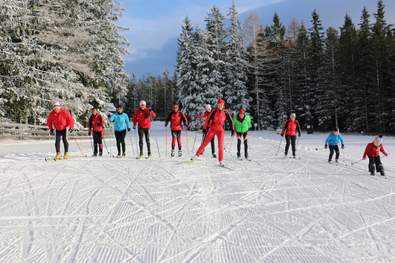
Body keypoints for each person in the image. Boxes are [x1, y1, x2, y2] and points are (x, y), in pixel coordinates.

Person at [192, 99, 234, 167]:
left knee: (220, 146)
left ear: (223, 105)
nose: (220, 106)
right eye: (219, 104)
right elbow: (208, 119)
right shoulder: (214, 111)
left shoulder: (225, 113)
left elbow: (231, 121)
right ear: (217, 105)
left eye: (221, 105)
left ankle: (220, 160)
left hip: (220, 130)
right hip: (212, 129)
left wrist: (232, 129)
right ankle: (196, 156)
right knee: (204, 143)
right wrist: (205, 128)